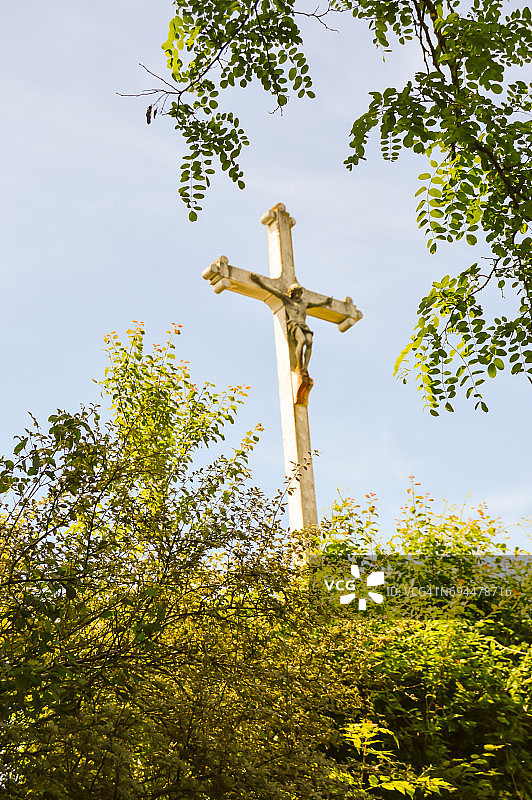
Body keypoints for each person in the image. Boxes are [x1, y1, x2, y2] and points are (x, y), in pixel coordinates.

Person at [250, 274, 332, 372]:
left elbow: (316, 304)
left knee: (309, 342)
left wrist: (325, 302)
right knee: (302, 341)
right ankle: (299, 365)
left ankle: (305, 367)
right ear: (291, 294)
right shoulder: (287, 300)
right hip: (294, 324)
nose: (297, 295)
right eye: (295, 294)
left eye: (299, 293)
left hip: (304, 325)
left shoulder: (304, 303)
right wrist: (259, 281)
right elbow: (273, 290)